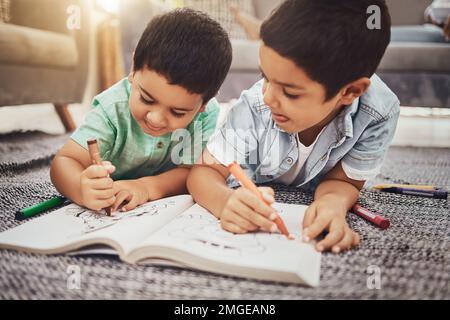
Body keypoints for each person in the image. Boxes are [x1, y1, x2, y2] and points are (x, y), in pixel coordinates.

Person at [187, 0, 400, 253]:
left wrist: (333, 202)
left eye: (290, 92)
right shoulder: (255, 105)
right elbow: (203, 173)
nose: (268, 97)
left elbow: (345, 182)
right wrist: (225, 202)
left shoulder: (377, 113)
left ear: (350, 91)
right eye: (265, 76)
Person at [50, 8, 232, 213]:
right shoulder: (113, 107)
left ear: (204, 104)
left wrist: (146, 187)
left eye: (178, 112)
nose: (156, 118)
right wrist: (80, 187)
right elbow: (64, 162)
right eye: (146, 98)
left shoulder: (206, 115)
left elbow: (191, 172)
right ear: (133, 69)